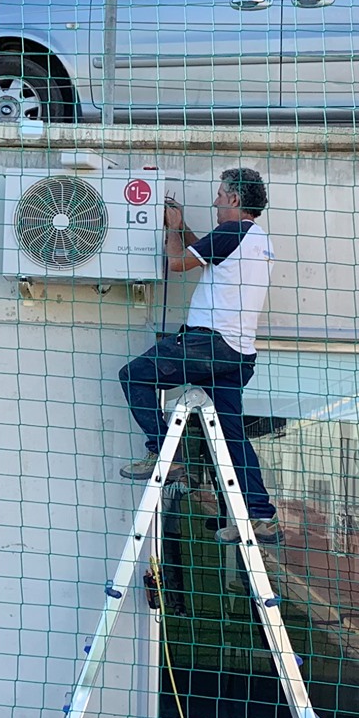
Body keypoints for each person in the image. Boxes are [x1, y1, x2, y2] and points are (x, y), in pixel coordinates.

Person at [117, 167, 281, 543]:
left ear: (235, 199)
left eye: (221, 195)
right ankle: (261, 515)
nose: (216, 201)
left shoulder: (232, 232)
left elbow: (178, 263)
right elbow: (204, 252)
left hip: (208, 344)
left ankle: (164, 454)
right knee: (233, 436)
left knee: (134, 375)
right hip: (239, 354)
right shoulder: (256, 239)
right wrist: (183, 226)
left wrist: (172, 230)